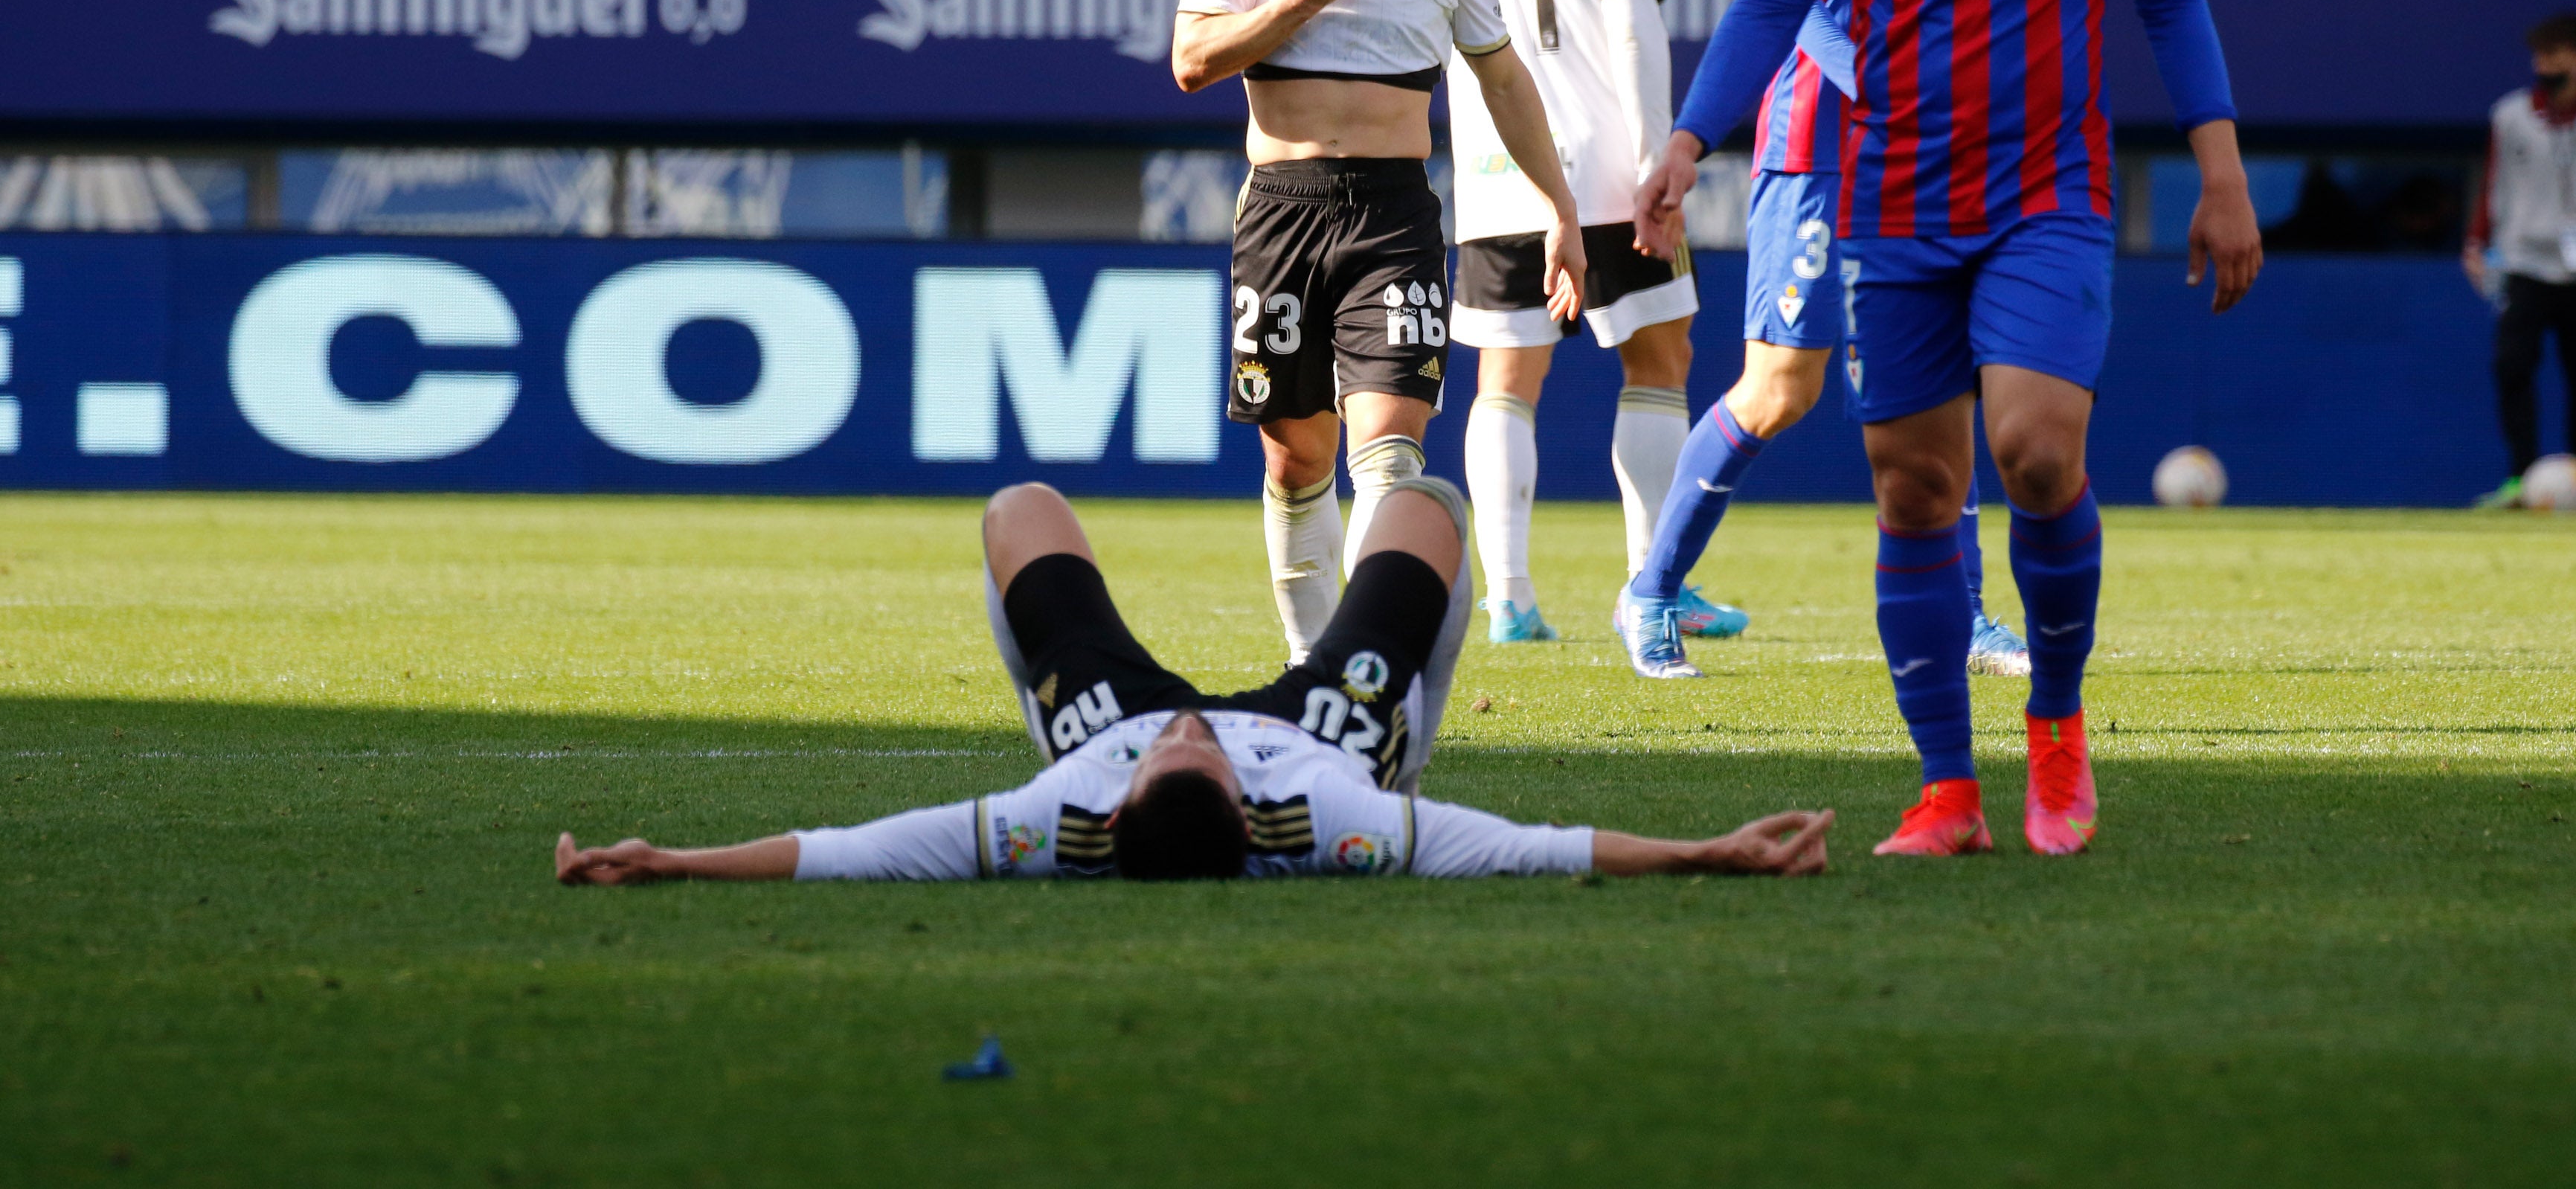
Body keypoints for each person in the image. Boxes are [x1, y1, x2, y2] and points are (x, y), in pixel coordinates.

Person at [1640, 0, 2263, 858]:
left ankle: (2052, 725)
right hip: (1892, 195)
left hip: (2045, 191)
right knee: (1915, 492)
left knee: (2035, 452)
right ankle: (1945, 791)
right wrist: (1691, 137)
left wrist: (2219, 169)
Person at [555, 480, 1836, 885]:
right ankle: (1407, 719)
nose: (1186, 731)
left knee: (1020, 511)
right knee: (1424, 512)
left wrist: (673, 861)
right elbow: (1526, 848)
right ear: (1241, 795)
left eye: (1169, 748)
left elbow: (854, 852)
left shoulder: (1056, 816)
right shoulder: (1332, 815)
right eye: (1197, 751)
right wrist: (1703, 852)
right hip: (1323, 732)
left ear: (1116, 803)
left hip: (1083, 732)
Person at [1621, 0, 2032, 684]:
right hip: (1822, 137)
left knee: (1946, 375)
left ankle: (1969, 613)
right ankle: (1649, 589)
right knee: (1777, 387)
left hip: (1927, 144)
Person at [1171, 0, 1587, 662]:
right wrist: (1301, 0)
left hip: (1391, 214)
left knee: (1391, 456)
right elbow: (1191, 62)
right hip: (1281, 213)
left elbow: (1505, 82)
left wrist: (1561, 207)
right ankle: (1306, 667)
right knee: (1294, 464)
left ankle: (1360, 668)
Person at [1435, 0, 1727, 656]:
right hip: (1603, 168)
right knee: (1660, 358)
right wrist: (1656, 162)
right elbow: (1635, 29)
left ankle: (1509, 598)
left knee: (1505, 378)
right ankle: (1654, 583)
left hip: (1495, 168)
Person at [2467, 10, 2576, 507]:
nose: (2543, 64)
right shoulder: (2510, 115)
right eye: (2538, 55)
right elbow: (2491, 183)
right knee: (2511, 366)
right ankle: (2519, 479)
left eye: (2553, 54)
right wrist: (2475, 244)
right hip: (2525, 262)